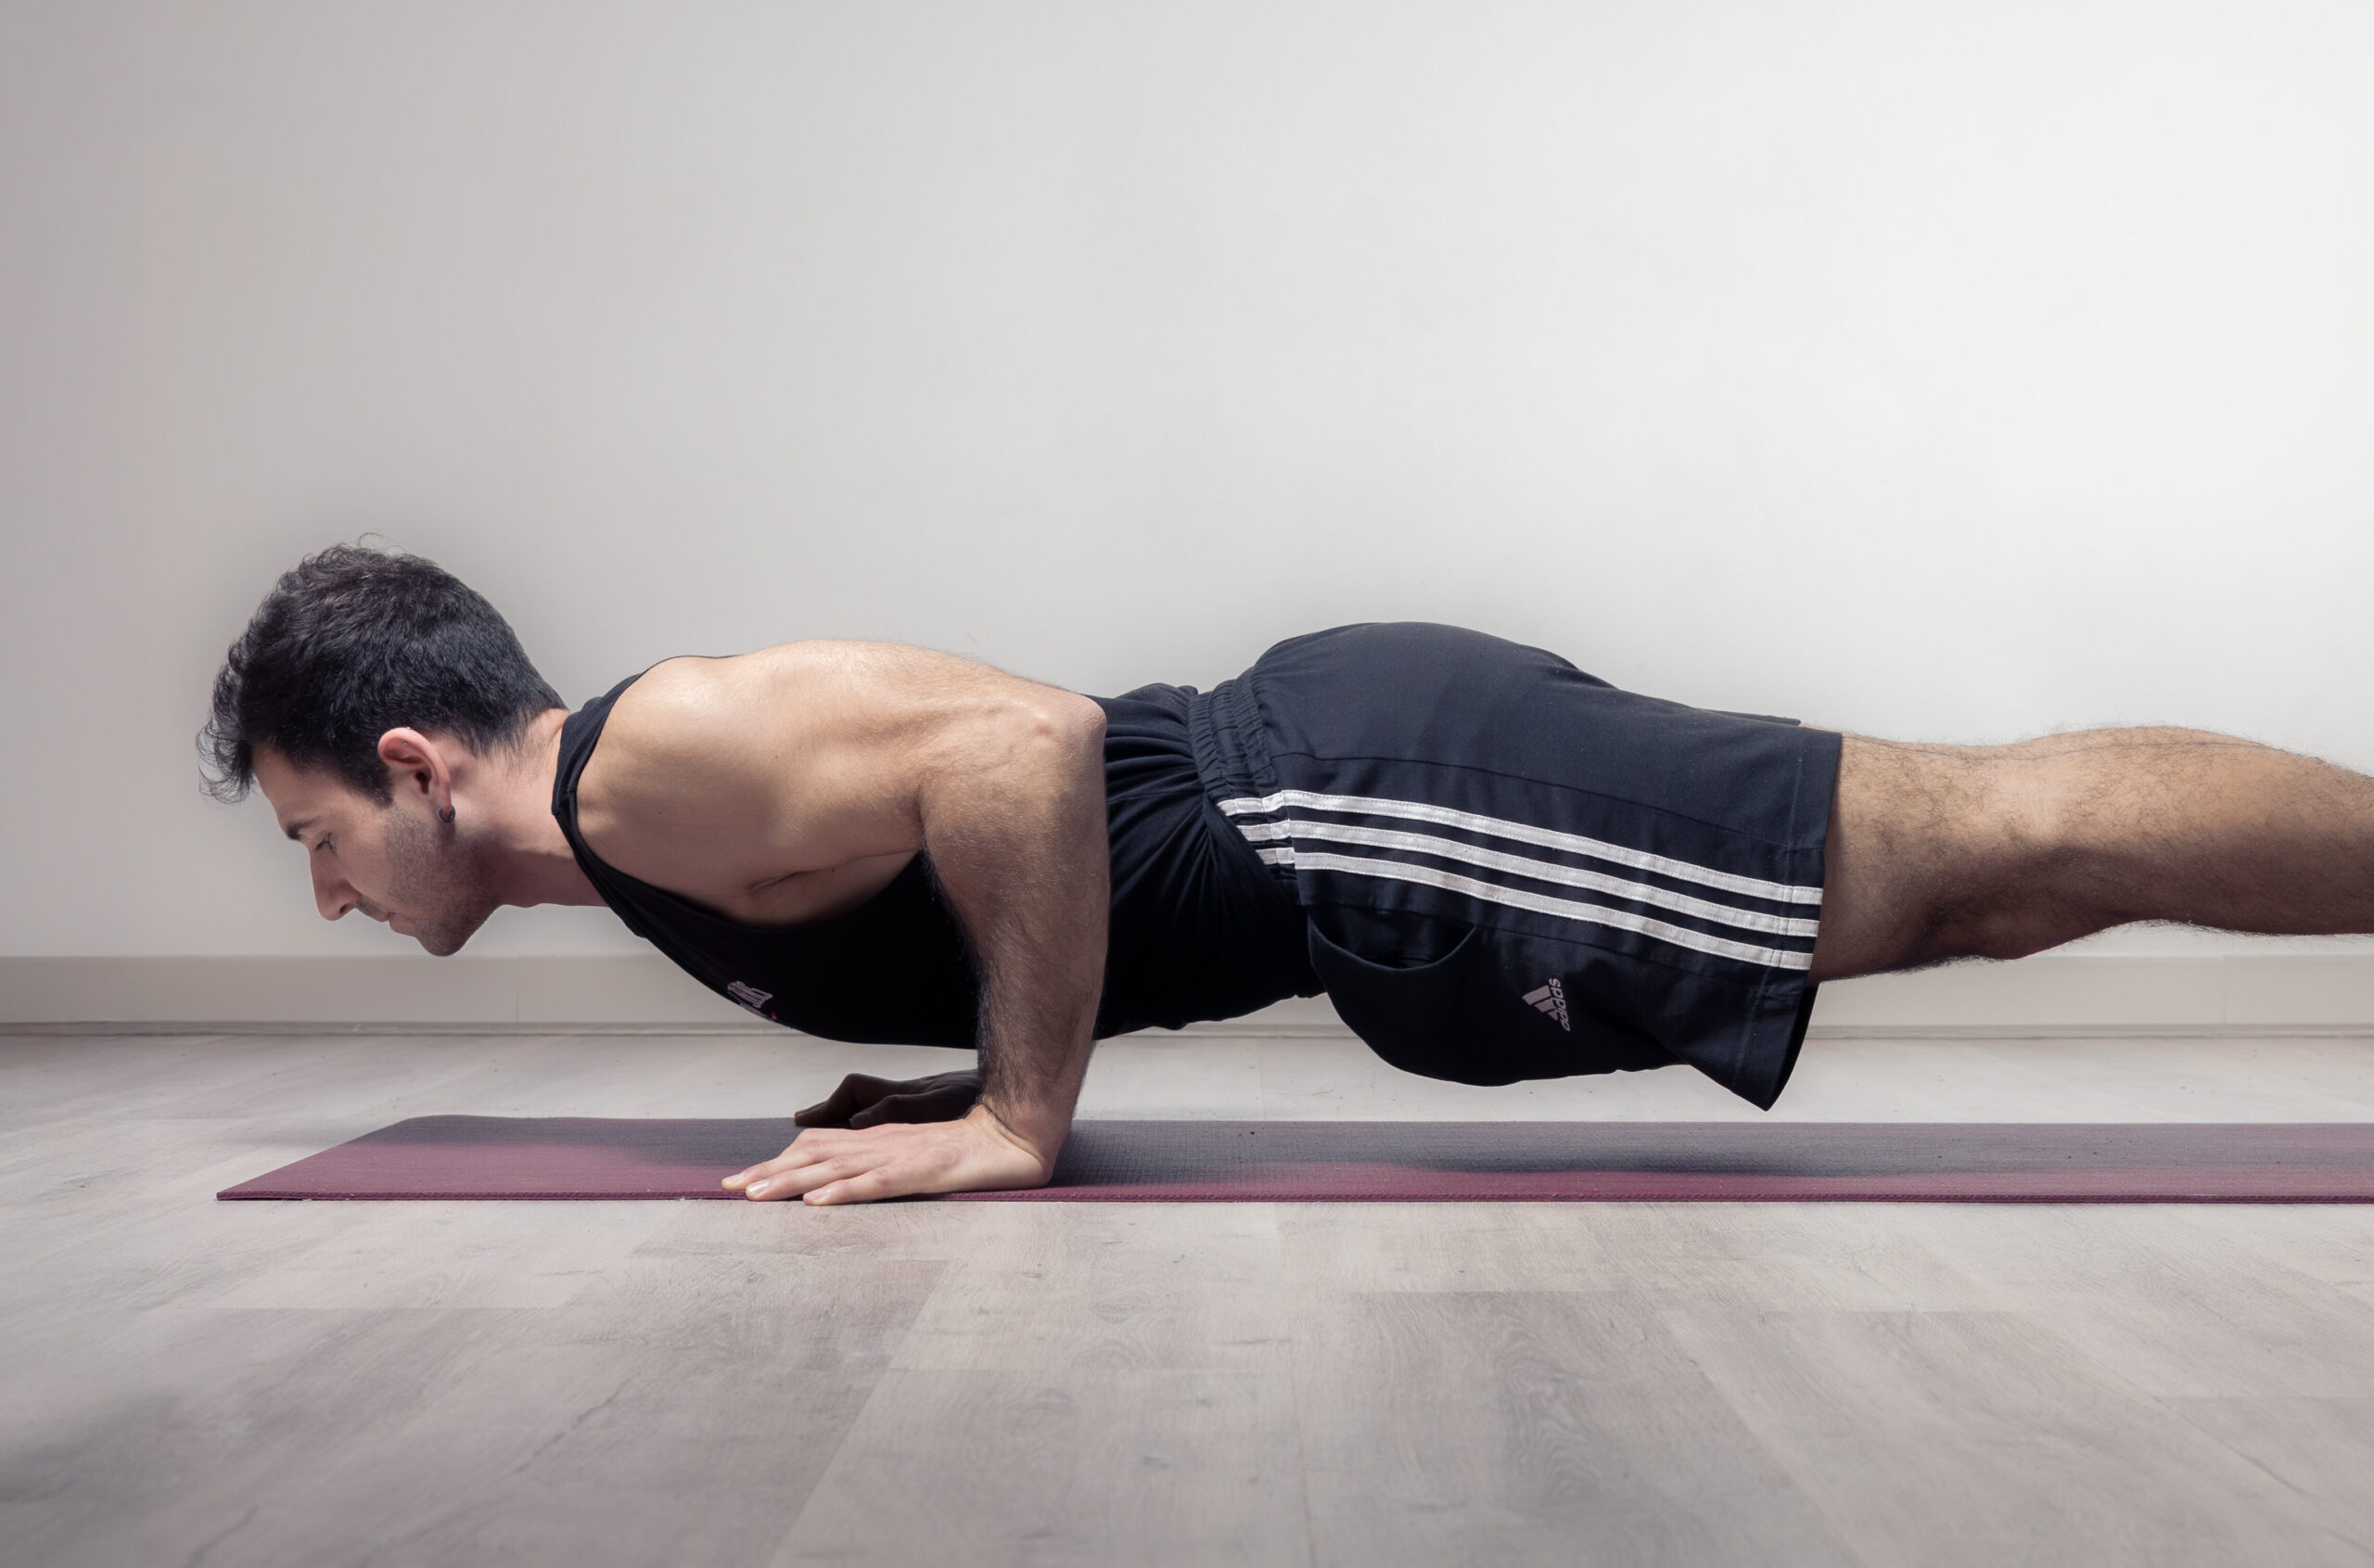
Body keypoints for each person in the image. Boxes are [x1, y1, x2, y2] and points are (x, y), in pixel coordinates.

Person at [201, 543, 2374, 1205]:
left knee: (1976, 843)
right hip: (1353, 797)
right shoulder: (638, 831)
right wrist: (959, 1064)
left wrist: (1018, 1119)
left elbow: (1020, 746)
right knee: (1979, 871)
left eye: (318, 839)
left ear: (411, 765)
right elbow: (951, 838)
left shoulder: (644, 760)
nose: (326, 894)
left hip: (1354, 792)